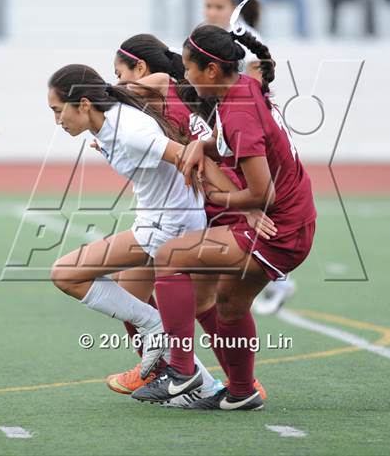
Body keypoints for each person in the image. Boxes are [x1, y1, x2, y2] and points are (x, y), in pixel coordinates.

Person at [48, 62, 268, 404]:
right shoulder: (107, 119)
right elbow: (163, 78)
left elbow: (194, 159)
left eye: (59, 111)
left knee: (66, 274)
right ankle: (203, 382)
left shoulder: (128, 131)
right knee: (135, 292)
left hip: (170, 226)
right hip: (156, 220)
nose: (57, 121)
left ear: (85, 105)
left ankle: (163, 340)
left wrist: (247, 207)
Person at [132, 24, 316, 410]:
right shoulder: (242, 89)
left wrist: (220, 196)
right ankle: (241, 392)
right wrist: (203, 145)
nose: (185, 75)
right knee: (230, 305)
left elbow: (261, 193)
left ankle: (181, 372)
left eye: (189, 67)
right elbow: (230, 142)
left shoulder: (237, 110)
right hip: (296, 218)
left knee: (170, 257)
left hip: (279, 230)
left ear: (211, 70)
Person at [104, 34, 271, 404]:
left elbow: (125, 93)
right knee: (129, 290)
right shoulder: (171, 96)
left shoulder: (166, 87)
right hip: (195, 205)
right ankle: (166, 369)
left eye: (120, 73)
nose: (117, 83)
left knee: (205, 303)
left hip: (212, 206)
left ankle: (231, 381)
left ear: (141, 68)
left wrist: (97, 99)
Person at [203, 0, 297, 314]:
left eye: (219, 6)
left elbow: (253, 94)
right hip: (231, 130)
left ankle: (278, 277)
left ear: (234, 8)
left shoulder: (244, 42)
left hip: (247, 133)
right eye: (208, 5)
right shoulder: (214, 42)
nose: (212, 11)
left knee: (241, 198)